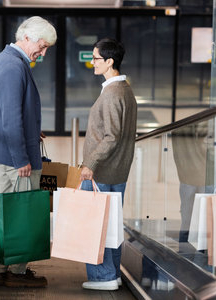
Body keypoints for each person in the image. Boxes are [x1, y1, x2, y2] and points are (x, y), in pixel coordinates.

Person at [0, 16, 57, 288]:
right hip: (14, 160)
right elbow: (10, 117)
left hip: (7, 153)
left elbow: (9, 113)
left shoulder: (8, 60)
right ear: (27, 38)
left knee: (10, 212)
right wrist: (22, 158)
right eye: (42, 46)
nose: (43, 53)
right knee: (20, 214)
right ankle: (15, 272)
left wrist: (31, 133)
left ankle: (6, 268)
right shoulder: (13, 66)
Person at [79, 38, 137, 291]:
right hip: (117, 170)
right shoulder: (124, 89)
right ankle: (111, 274)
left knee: (95, 226)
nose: (92, 62)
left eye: (96, 58)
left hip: (102, 170)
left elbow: (111, 136)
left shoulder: (113, 93)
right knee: (110, 225)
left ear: (110, 61)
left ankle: (103, 277)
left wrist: (90, 163)